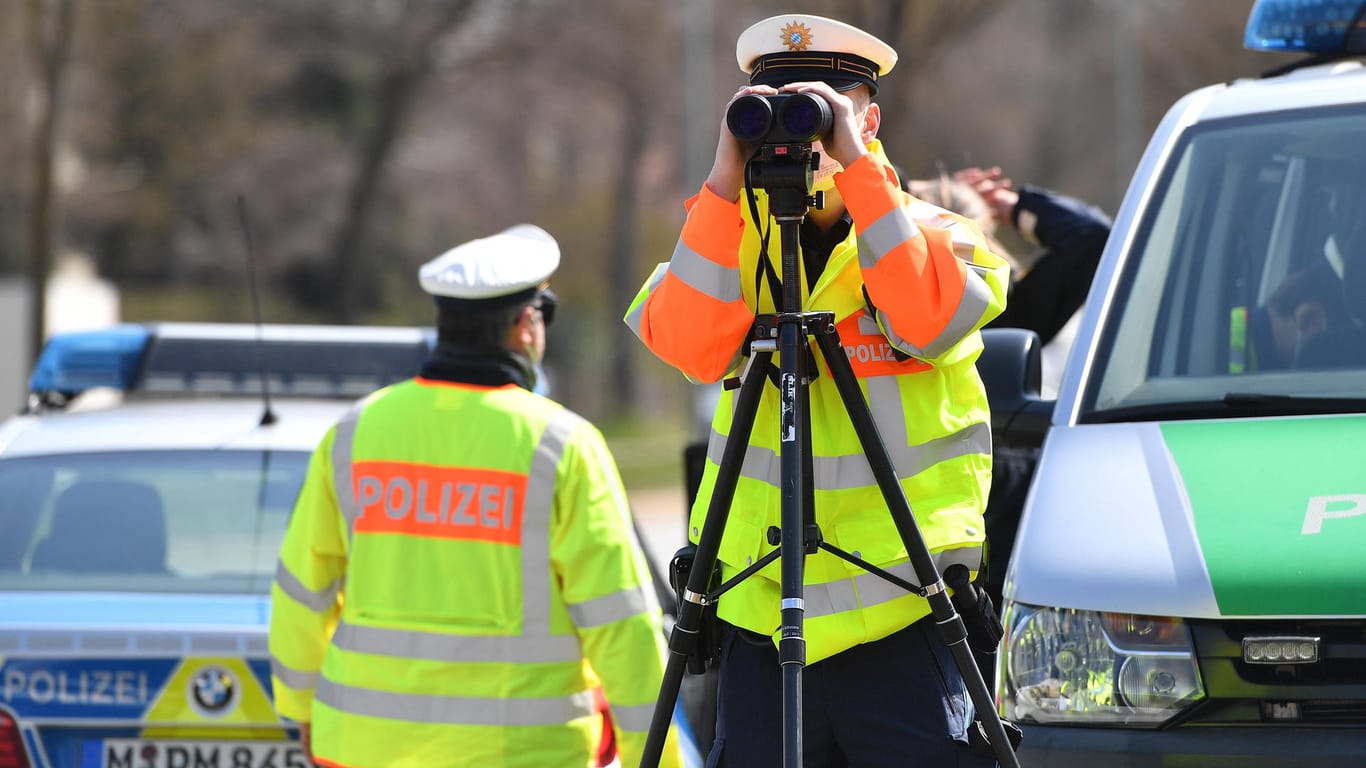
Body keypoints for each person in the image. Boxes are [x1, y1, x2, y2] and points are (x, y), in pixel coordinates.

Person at [625, 14, 1010, 767]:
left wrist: (858, 170)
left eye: (820, 108)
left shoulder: (940, 237)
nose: (798, 131)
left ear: (867, 118)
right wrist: (722, 181)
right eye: (771, 107)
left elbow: (927, 320)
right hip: (759, 610)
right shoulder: (729, 236)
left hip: (902, 611)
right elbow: (691, 348)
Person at [269, 224, 682, 768]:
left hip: (363, 746)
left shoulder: (354, 434)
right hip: (520, 753)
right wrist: (657, 758)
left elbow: (303, 590)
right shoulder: (562, 446)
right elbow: (620, 623)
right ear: (525, 323)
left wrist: (302, 712)